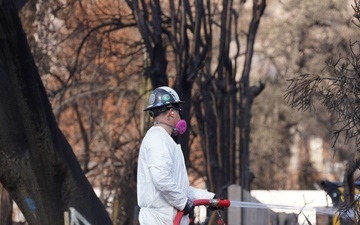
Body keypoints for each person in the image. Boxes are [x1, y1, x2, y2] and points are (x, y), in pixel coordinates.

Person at [137, 86, 215, 225]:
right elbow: (162, 179)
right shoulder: (157, 139)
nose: (180, 115)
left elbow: (180, 189)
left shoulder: (164, 140)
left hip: (167, 218)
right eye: (179, 111)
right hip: (160, 219)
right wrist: (183, 203)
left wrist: (211, 199)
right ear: (172, 112)